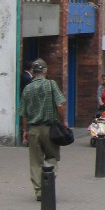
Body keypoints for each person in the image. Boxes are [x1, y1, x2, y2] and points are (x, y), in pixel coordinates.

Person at [19, 58, 67, 201]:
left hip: (33, 129)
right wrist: (63, 121)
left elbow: (23, 113)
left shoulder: (27, 88)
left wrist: (25, 131)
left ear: (33, 72)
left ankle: (39, 190)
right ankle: (49, 181)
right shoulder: (51, 85)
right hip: (50, 128)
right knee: (52, 157)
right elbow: (60, 105)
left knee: (35, 161)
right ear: (46, 71)